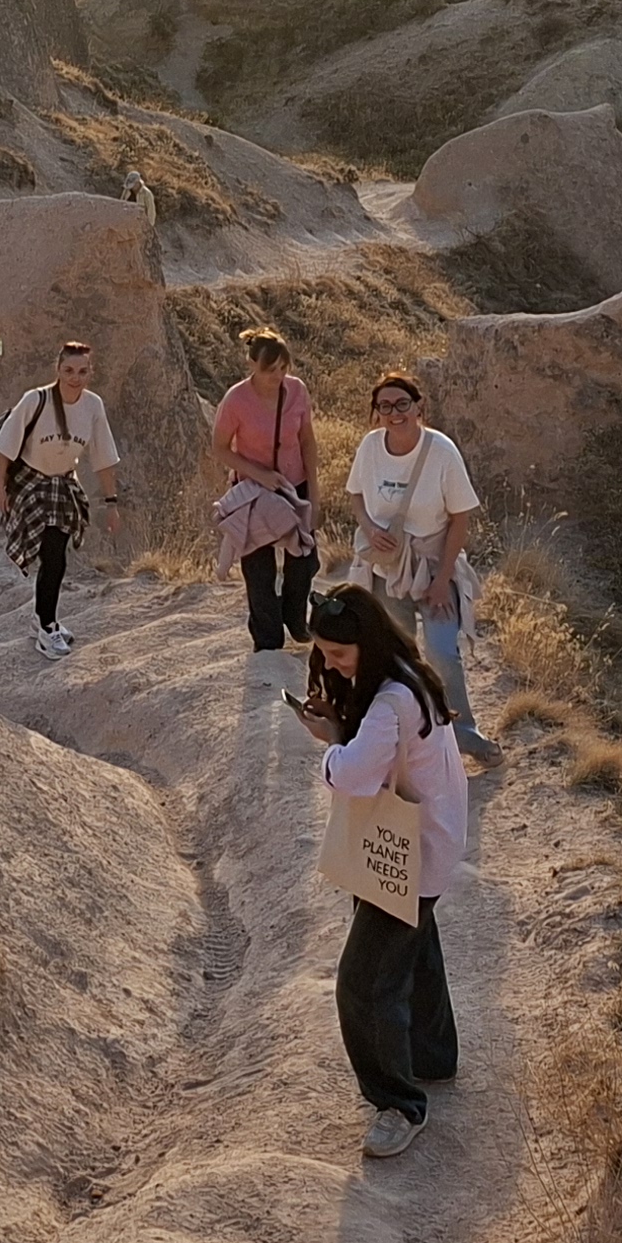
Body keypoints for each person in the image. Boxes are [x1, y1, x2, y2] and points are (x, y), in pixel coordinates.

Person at [297, 582, 467, 1156]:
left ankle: (399, 1104)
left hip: (405, 852)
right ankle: (433, 1058)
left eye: (340, 655)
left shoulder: (389, 703)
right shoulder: (406, 677)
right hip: (429, 843)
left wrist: (328, 743)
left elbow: (351, 776)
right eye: (324, 654)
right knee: (413, 949)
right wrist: (346, 727)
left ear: (365, 644)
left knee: (364, 985)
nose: (332, 665)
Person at [343, 372, 492, 758]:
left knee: (442, 651)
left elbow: (460, 518)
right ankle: (409, 736)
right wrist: (370, 529)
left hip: (431, 565)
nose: (394, 413)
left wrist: (443, 579)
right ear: (376, 413)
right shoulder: (370, 447)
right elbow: (356, 495)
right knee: (398, 656)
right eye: (385, 406)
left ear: (419, 407)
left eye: (402, 404)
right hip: (388, 570)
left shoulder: (441, 451)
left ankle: (463, 730)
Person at [0, 337, 121, 660]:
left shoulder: (93, 406)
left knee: (55, 555)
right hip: (31, 484)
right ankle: (47, 629)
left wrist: (111, 503)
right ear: (58, 369)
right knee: (53, 555)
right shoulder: (36, 400)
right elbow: (3, 447)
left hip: (63, 483)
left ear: (91, 372)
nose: (75, 377)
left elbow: (103, 458)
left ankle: (41, 620)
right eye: (68, 370)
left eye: (82, 371)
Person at [207, 325, 316, 656]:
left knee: (306, 560)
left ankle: (295, 618)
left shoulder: (296, 391)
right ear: (252, 364)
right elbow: (220, 448)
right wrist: (259, 474)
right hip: (253, 491)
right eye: (271, 370)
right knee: (259, 570)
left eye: (284, 368)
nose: (278, 376)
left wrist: (316, 491)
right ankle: (268, 642)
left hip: (294, 485)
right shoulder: (236, 399)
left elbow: (307, 439)